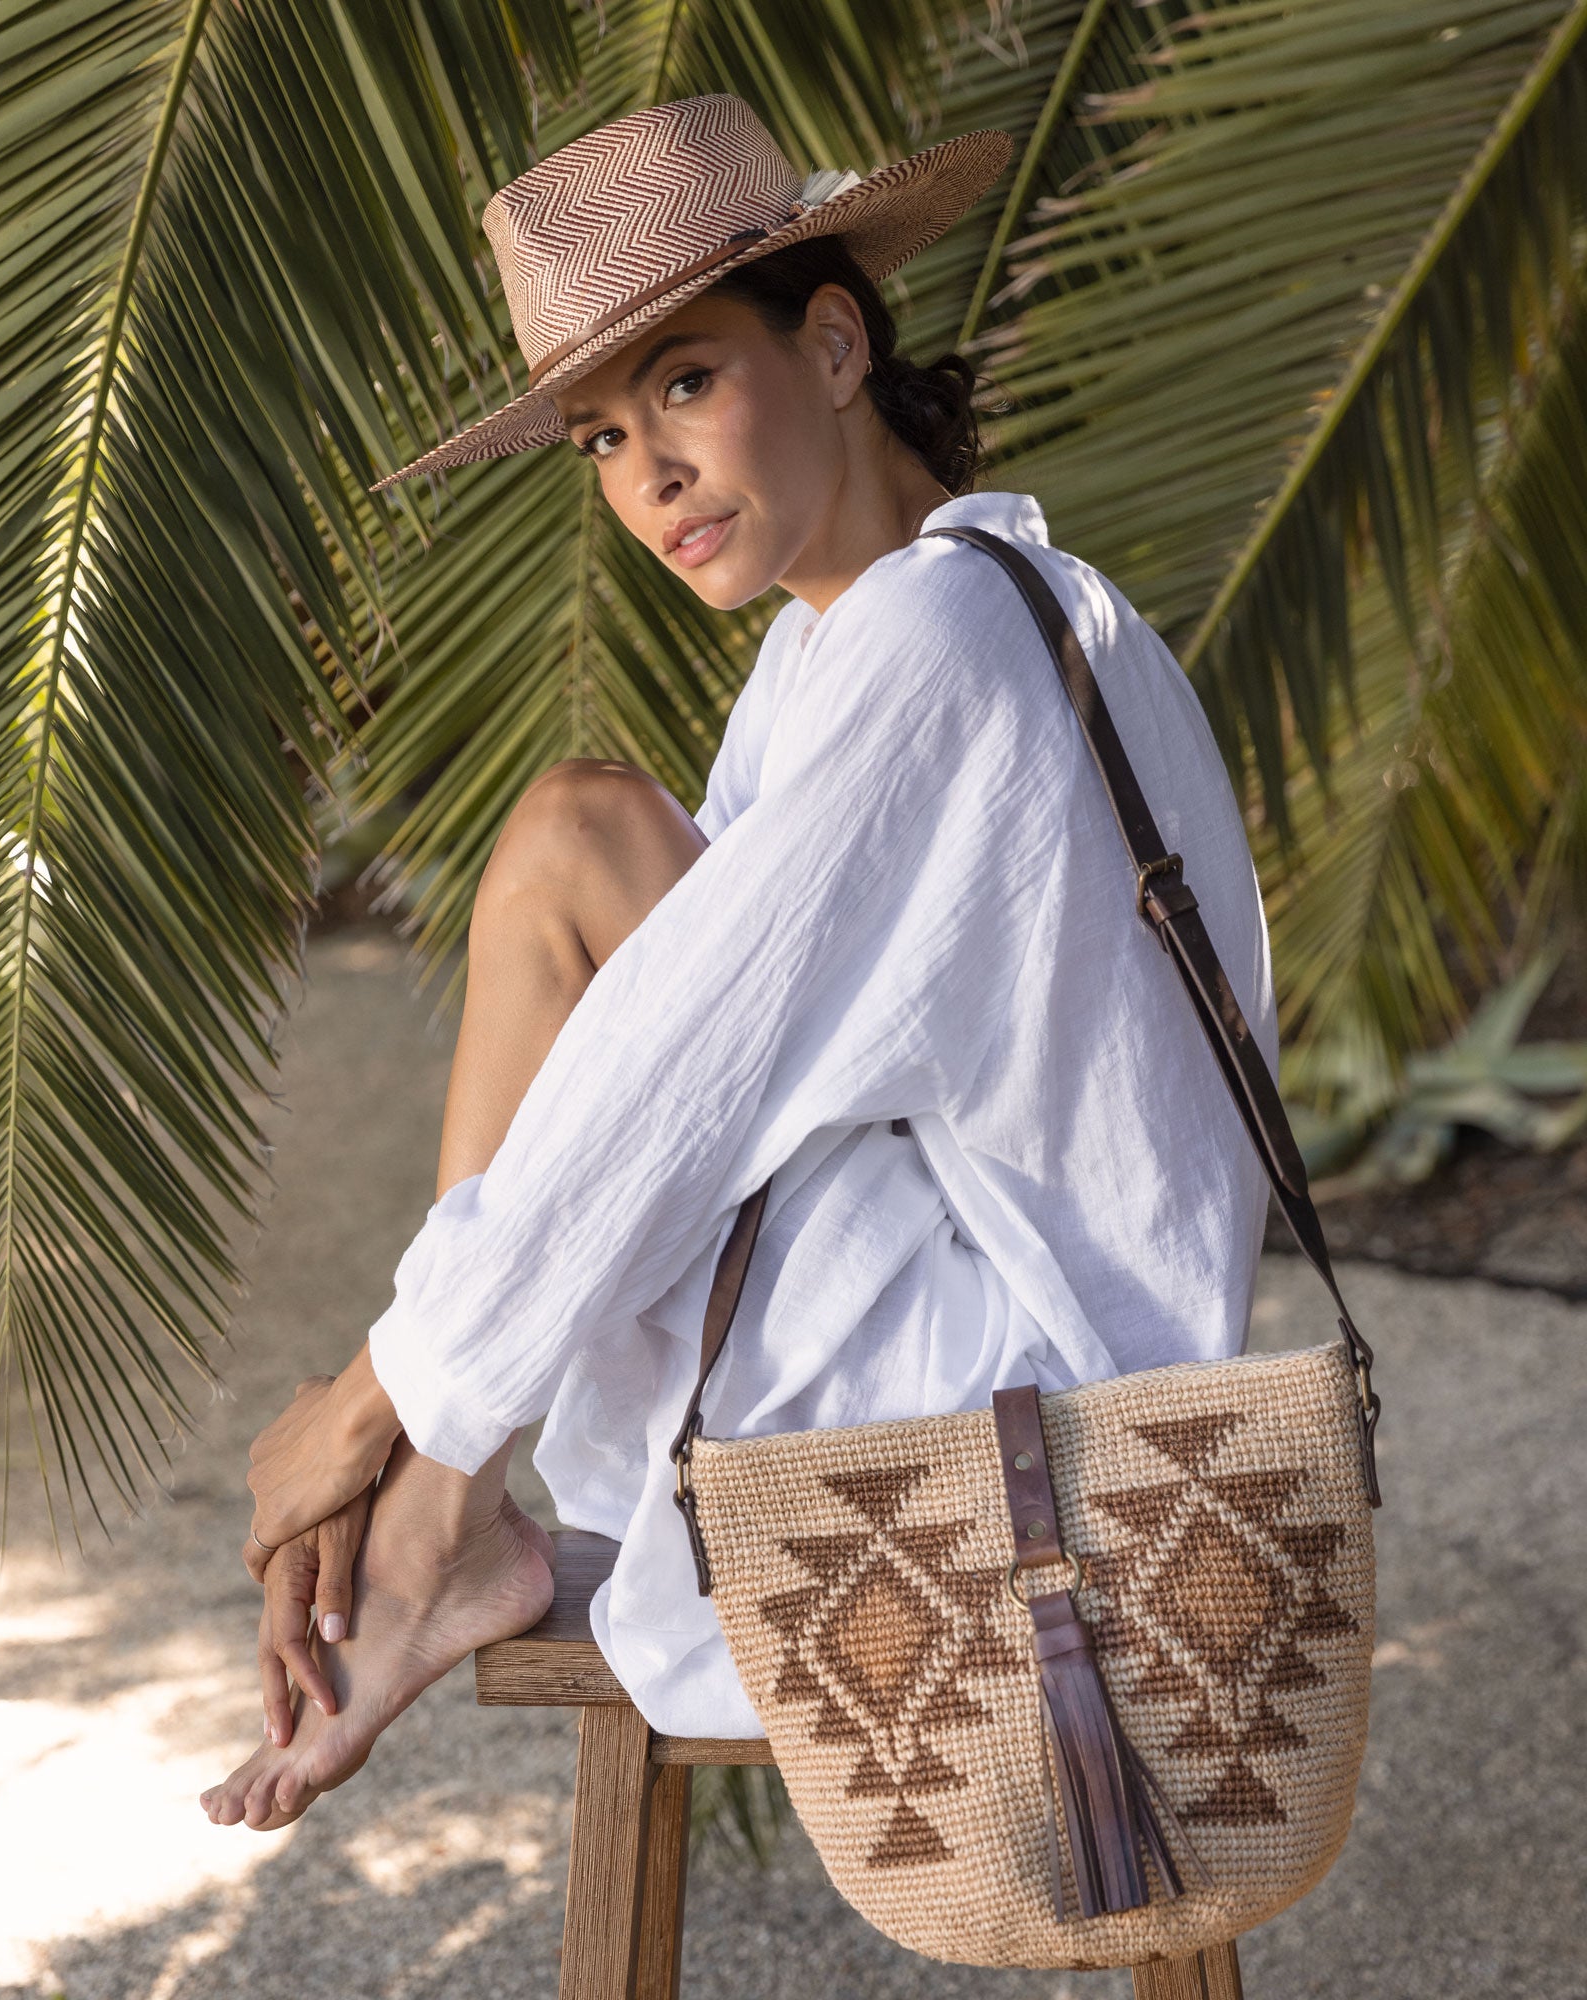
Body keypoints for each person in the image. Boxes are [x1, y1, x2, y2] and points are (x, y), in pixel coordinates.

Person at [201, 94, 1275, 1833]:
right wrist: (400, 1386)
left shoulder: (938, 637)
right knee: (592, 881)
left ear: (835, 340)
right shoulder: (902, 622)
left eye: (687, 382)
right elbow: (659, 1071)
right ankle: (433, 1514)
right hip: (1008, 1361)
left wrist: (370, 1401)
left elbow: (675, 1080)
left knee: (576, 844)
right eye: (601, 439)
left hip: (1032, 1431)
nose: (650, 476)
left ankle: (424, 1531)